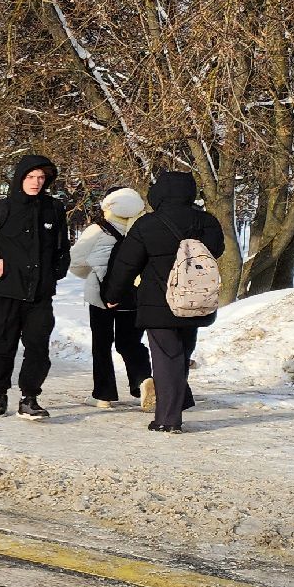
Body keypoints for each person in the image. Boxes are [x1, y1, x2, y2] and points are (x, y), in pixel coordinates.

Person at [105, 170, 227, 433]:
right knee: (181, 354)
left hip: (159, 302)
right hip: (195, 300)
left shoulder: (148, 224)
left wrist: (113, 295)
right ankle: (179, 399)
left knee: (166, 357)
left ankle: (167, 419)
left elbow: (126, 264)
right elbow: (216, 251)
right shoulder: (207, 221)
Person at [0, 153, 72, 419]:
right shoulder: (0, 210)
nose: (36, 182)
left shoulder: (53, 209)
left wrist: (57, 271)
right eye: (31, 177)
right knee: (3, 345)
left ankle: (30, 398)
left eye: (41, 177)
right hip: (5, 291)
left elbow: (62, 246)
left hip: (40, 294)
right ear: (20, 178)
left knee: (38, 347)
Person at [69, 187, 150, 408]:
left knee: (101, 344)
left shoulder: (98, 229)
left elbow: (76, 261)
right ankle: (143, 381)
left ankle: (103, 395)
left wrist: (93, 274)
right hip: (135, 294)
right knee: (131, 342)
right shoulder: (145, 227)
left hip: (101, 295)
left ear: (108, 204)